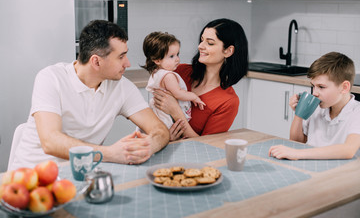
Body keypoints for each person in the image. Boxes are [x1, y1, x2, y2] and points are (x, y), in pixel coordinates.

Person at [9, 20, 169, 170]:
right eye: (121, 56)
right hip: (29, 178)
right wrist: (111, 153)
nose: (128, 63)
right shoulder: (51, 78)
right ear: (96, 62)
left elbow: (159, 130)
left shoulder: (121, 87)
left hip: (77, 177)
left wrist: (148, 146)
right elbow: (51, 142)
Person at [152, 18, 248, 140]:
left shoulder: (228, 102)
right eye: (202, 40)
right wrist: (164, 136)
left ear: (228, 51)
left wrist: (176, 111)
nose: (200, 46)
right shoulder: (180, 72)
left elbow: (207, 146)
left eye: (210, 43)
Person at [269, 52, 360, 160]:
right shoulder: (317, 107)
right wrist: (299, 114)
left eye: (321, 87)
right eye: (313, 86)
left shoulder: (356, 112)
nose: (314, 93)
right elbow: (296, 142)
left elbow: (348, 150)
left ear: (344, 87)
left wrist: (297, 154)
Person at [141, 31, 205, 129]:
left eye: (177, 54)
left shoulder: (156, 72)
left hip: (159, 112)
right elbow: (178, 93)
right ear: (157, 60)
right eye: (171, 56)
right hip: (168, 115)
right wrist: (194, 97)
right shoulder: (168, 76)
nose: (177, 59)